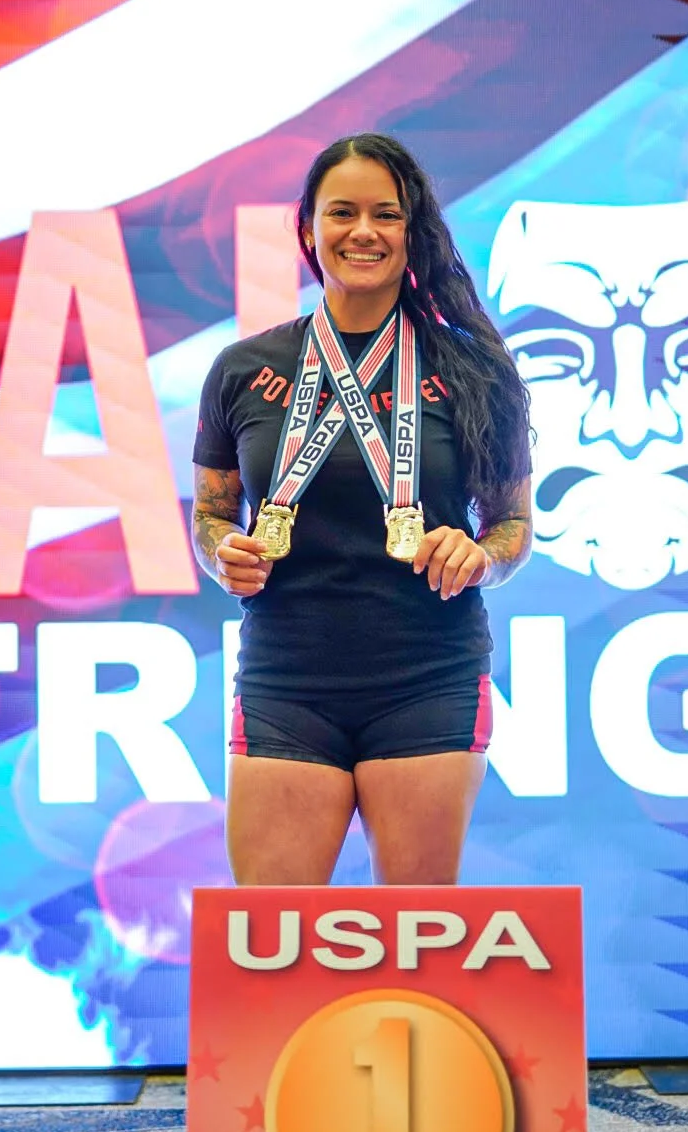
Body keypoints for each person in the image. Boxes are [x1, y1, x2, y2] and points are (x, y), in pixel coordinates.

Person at [191, 133, 532, 886]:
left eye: (387, 214)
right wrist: (222, 551)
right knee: (269, 949)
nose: (364, 232)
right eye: (342, 212)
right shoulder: (242, 370)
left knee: (417, 942)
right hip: (288, 681)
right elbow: (212, 513)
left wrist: (482, 556)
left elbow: (513, 526)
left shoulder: (475, 372)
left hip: (428, 678)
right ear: (309, 229)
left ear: (414, 232)